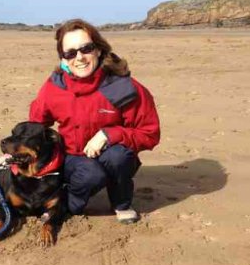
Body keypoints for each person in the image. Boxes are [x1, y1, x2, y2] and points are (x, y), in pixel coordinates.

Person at [29, 19, 160, 224]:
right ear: (63, 58)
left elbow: (150, 133)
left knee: (119, 156)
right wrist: (12, 157)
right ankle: (65, 203)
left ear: (98, 50)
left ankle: (121, 203)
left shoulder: (124, 87)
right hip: (70, 159)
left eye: (86, 49)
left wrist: (110, 134)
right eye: (70, 53)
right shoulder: (54, 87)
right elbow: (35, 126)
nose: (79, 58)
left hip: (111, 156)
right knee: (90, 175)